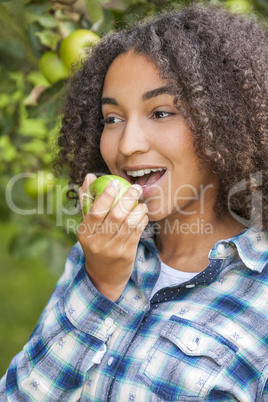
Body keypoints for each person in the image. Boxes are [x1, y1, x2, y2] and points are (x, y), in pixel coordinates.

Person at [1, 4, 268, 401]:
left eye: (161, 112)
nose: (126, 145)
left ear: (226, 122)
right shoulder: (98, 254)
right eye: (112, 119)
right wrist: (102, 282)